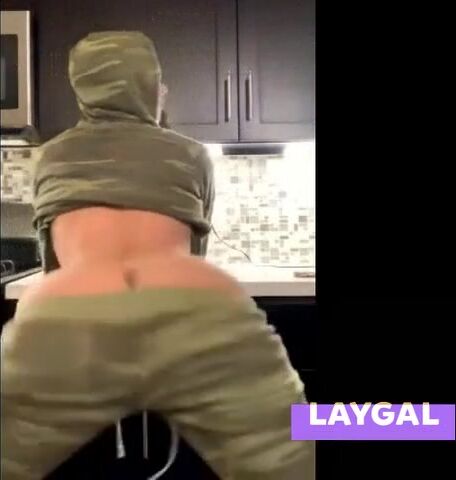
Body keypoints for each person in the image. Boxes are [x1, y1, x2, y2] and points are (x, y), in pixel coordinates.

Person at [0, 31, 314, 480]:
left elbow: (52, 258)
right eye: (159, 82)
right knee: (293, 452)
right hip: (197, 308)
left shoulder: (50, 157)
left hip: (73, 309)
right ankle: (418, 424)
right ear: (147, 87)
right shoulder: (191, 154)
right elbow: (196, 250)